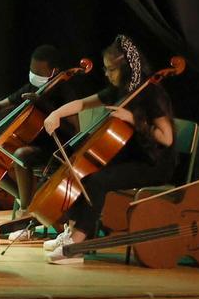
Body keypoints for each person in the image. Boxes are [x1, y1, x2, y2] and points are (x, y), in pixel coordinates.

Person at [40, 36, 177, 262]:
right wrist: (56, 114)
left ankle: (78, 244)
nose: (106, 73)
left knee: (97, 181)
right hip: (131, 157)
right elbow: (83, 103)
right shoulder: (121, 90)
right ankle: (72, 229)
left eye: (110, 69)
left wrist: (134, 120)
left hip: (153, 163)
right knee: (83, 172)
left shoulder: (152, 93)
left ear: (125, 68)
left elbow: (167, 138)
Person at [0, 44, 80, 214]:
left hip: (55, 148)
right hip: (28, 144)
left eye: (39, 72)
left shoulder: (65, 92)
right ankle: (28, 199)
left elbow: (74, 131)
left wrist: (45, 106)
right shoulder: (32, 88)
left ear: (54, 71)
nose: (34, 75)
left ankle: (25, 210)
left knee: (21, 155)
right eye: (32, 70)